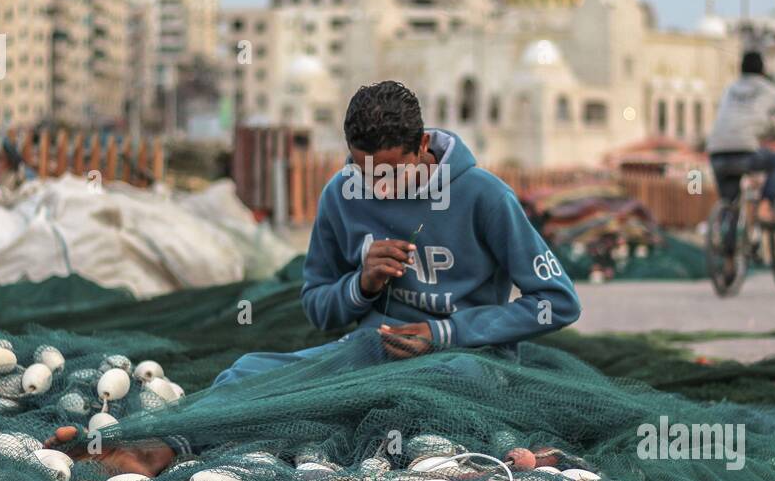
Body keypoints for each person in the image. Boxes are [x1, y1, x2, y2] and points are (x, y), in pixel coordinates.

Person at [209, 80, 582, 387]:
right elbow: (318, 308)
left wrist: (443, 333)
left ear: (422, 146)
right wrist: (362, 285)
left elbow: (556, 302)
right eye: (367, 173)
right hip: (370, 352)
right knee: (244, 375)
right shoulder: (340, 194)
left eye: (393, 173)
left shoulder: (484, 195)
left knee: (432, 387)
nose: (380, 187)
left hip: (466, 361)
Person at [706, 49, 775, 225]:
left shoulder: (729, 89)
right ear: (762, 70)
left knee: (731, 205)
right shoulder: (769, 90)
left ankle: (726, 246)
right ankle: (766, 205)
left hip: (716, 154)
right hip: (745, 153)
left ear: (740, 70)